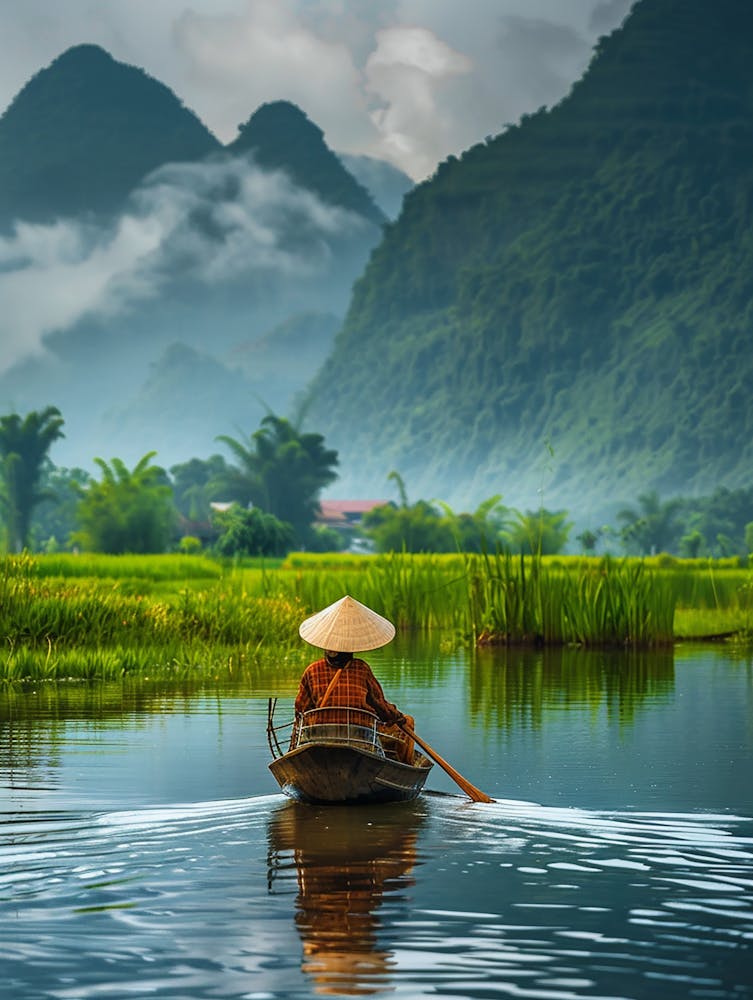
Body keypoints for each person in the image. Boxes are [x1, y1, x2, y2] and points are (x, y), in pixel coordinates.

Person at [294, 595, 414, 764]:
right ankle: (403, 769)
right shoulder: (361, 669)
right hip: (360, 740)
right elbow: (381, 706)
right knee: (409, 721)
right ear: (350, 646)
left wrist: (294, 748)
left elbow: (301, 712)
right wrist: (399, 718)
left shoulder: (311, 670)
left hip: (319, 739)